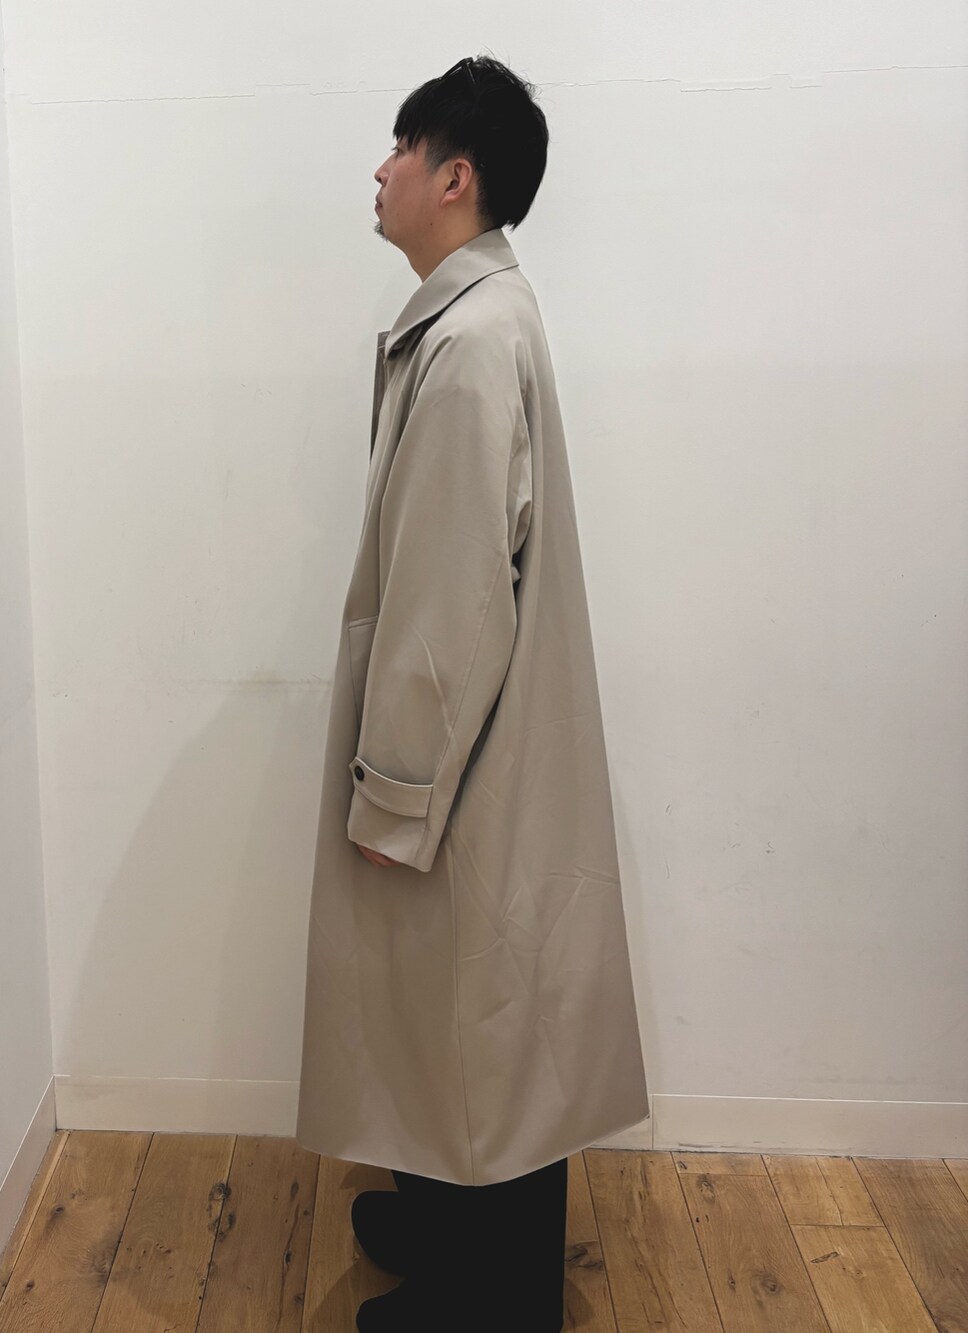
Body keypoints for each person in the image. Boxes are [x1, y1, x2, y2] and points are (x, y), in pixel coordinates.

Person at [294, 53, 651, 1332]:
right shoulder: (480, 317)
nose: (379, 170)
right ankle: (447, 1227)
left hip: (464, 755)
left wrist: (394, 791)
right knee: (466, 1009)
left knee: (479, 1014)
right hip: (487, 746)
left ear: (454, 178)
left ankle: (487, 1296)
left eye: (401, 148)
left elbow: (449, 610)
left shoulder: (466, 344)